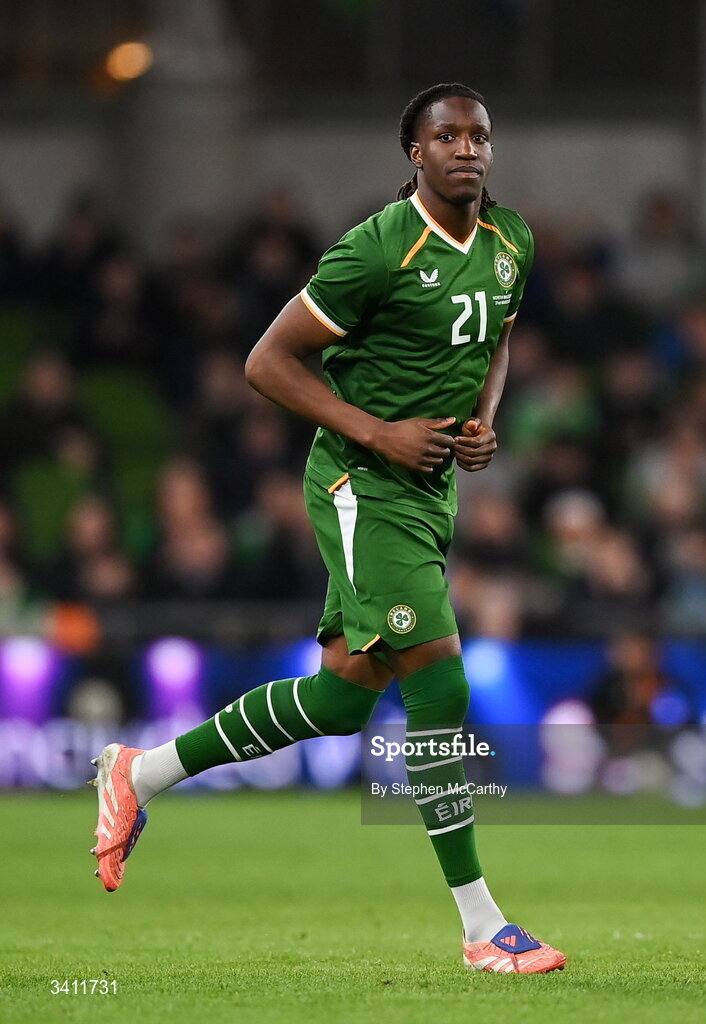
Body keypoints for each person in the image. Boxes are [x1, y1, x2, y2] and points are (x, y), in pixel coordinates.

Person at [89, 83, 567, 975]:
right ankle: (481, 927)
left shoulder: (511, 243)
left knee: (344, 699)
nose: (467, 149)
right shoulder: (377, 248)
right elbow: (265, 361)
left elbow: (496, 337)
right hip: (360, 481)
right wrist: (379, 430)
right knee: (439, 680)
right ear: (414, 155)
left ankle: (138, 772)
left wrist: (482, 417)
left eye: (480, 136)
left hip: (428, 493)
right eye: (447, 137)